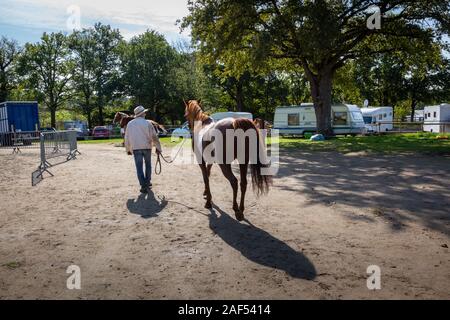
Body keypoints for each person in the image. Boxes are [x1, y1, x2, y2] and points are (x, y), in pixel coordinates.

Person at [125, 106, 162, 193]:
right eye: (144, 112)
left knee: (139, 167)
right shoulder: (148, 123)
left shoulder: (130, 124)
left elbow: (127, 138)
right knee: (148, 165)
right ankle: (148, 182)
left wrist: (128, 149)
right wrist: (158, 147)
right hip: (147, 147)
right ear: (142, 114)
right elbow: (154, 136)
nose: (145, 114)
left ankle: (143, 185)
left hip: (136, 148)